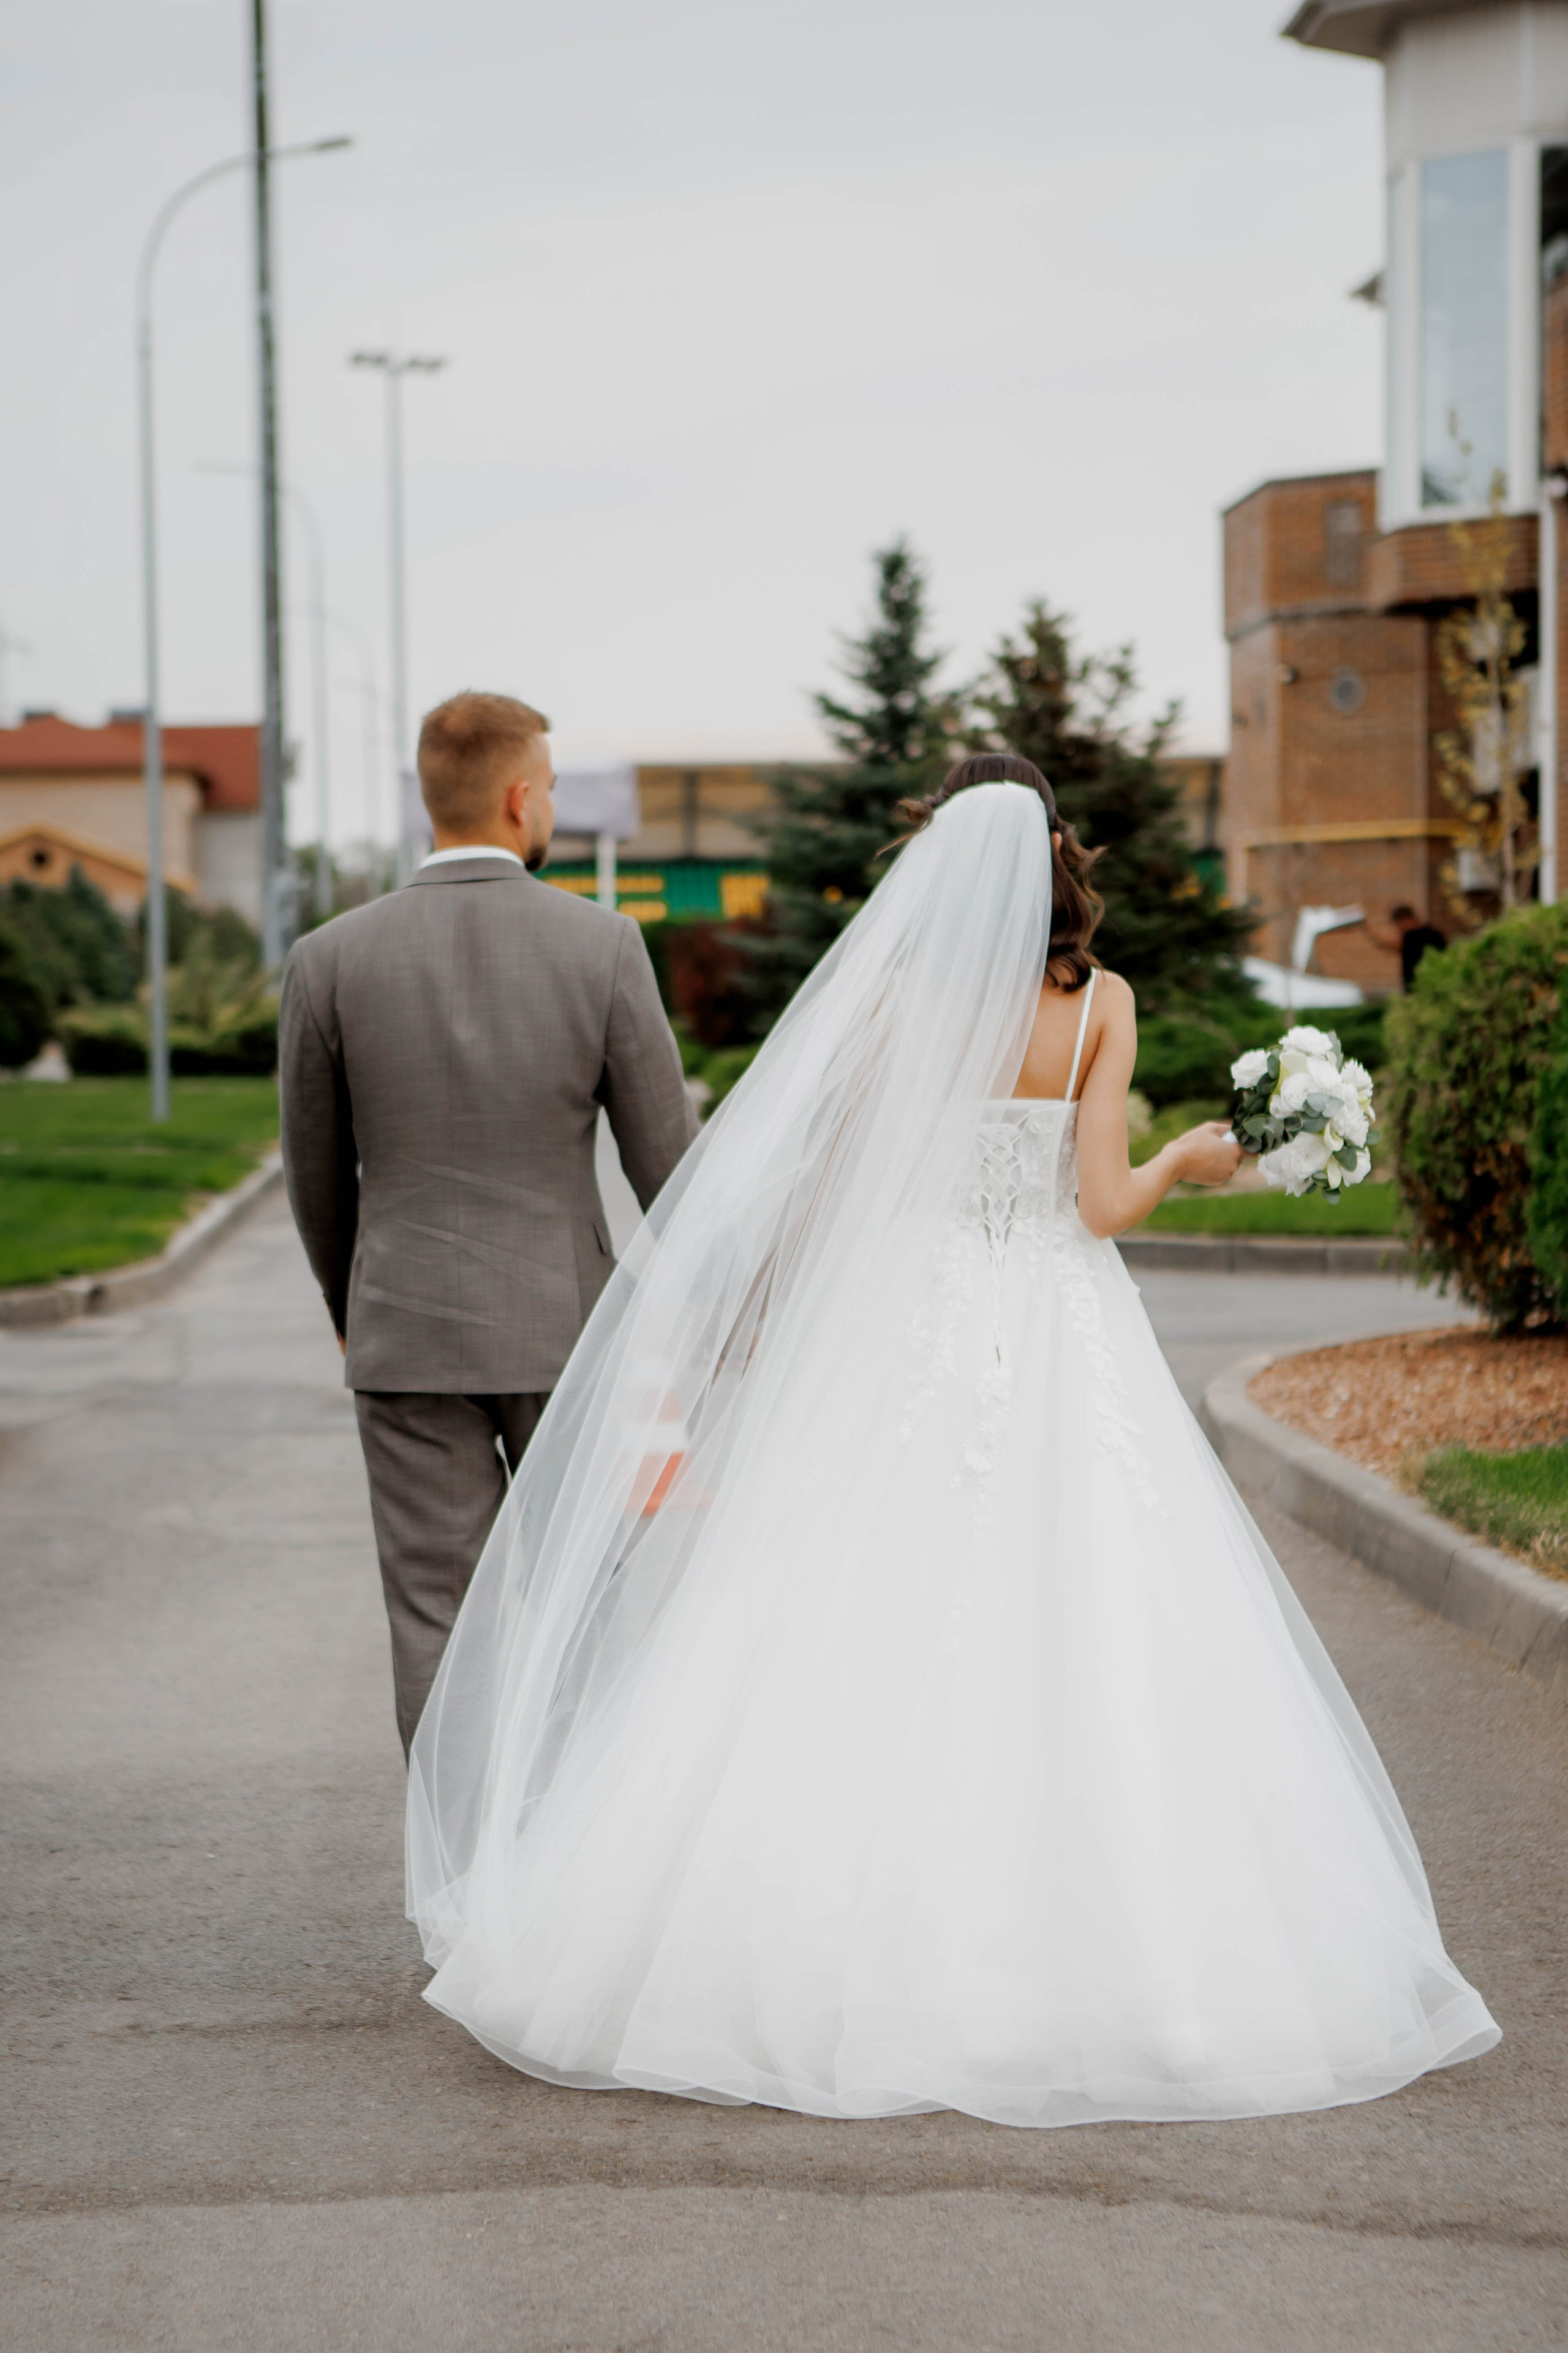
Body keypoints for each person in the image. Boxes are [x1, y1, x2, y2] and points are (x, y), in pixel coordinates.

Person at [405, 753, 1498, 2128]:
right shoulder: (1097, 1003)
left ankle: (786, 1942)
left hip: (908, 1318)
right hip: (1052, 1318)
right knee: (1094, 1598)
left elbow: (849, 1172)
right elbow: (1097, 1205)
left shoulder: (902, 997)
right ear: (1057, 854)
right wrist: (1189, 1164)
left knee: (847, 1600)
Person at [279, 691, 698, 1756]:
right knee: (575, 1610)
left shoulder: (328, 959)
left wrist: (347, 1306)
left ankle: (457, 1892)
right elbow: (671, 1170)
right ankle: (559, 1870)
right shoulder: (602, 946)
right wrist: (722, 1299)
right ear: (520, 799)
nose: (549, 802)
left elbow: (316, 1176)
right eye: (550, 787)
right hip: (566, 1334)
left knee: (436, 1620)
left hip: (405, 1330)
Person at [1367, 902, 1446, 991]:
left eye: (1398, 924)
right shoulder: (1434, 933)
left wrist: (1367, 931)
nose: (1399, 929)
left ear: (1405, 920)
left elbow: (1391, 945)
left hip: (1423, 986)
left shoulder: (1413, 936)